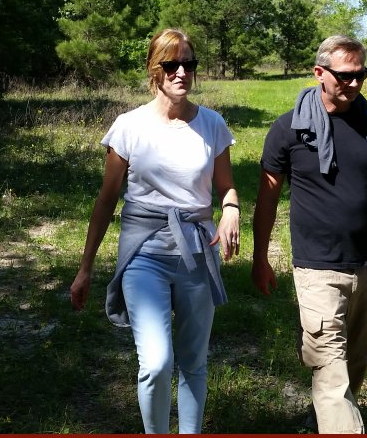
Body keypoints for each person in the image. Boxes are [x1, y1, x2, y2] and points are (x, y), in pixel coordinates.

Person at [252, 35, 367, 434]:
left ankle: (318, 420)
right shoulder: (289, 129)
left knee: (352, 367)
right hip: (317, 269)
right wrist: (260, 257)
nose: (354, 83)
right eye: (345, 76)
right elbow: (267, 199)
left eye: (361, 74)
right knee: (330, 371)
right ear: (320, 73)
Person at [70, 28, 241, 434]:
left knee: (194, 362)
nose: (182, 72)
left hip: (198, 252)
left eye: (189, 64)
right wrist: (85, 268)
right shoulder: (129, 126)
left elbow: (227, 186)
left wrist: (231, 209)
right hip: (144, 254)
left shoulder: (213, 124)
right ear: (154, 69)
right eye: (172, 64)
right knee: (157, 363)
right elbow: (106, 201)